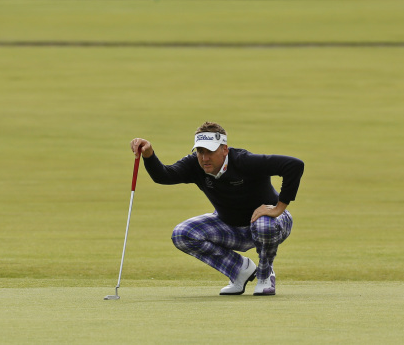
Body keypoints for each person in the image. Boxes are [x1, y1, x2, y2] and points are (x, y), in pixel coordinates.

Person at [130, 122, 304, 296]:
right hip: (230, 226)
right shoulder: (195, 165)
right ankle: (239, 270)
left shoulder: (244, 161)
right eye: (200, 151)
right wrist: (149, 154)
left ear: (225, 149)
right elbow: (163, 176)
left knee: (263, 224)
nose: (205, 158)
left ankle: (265, 275)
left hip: (271, 224)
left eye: (210, 152)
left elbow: (294, 165)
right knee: (182, 234)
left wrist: (278, 208)